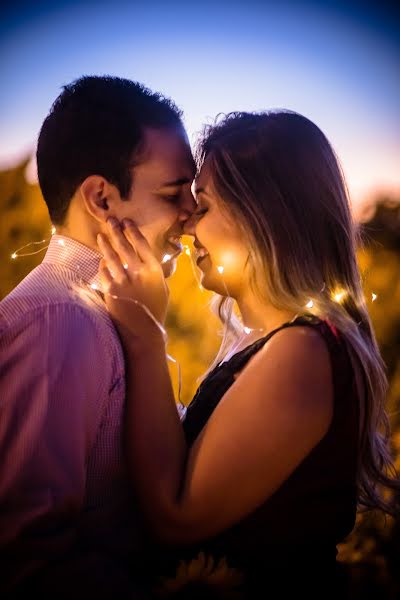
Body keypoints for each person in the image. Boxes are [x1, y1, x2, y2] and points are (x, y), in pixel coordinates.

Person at [97, 110, 400, 598]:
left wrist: (145, 336)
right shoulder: (271, 342)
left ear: (266, 218)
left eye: (206, 206)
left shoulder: (302, 352)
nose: (187, 221)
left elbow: (177, 518)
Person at [0, 75, 196, 598]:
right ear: (102, 198)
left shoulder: (114, 312)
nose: (191, 215)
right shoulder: (58, 322)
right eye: (175, 193)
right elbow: (29, 557)